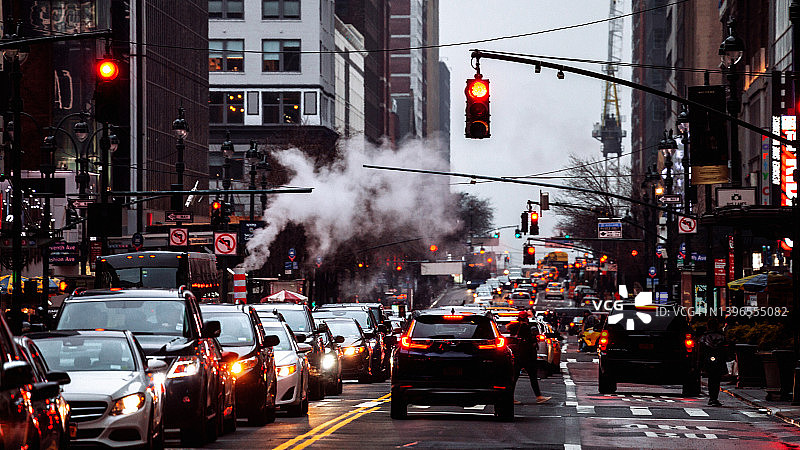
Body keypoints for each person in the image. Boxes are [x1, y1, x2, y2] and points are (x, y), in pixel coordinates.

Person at [506, 310, 550, 404]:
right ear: (526, 318)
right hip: (527, 355)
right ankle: (538, 396)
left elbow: (508, 329)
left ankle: (511, 397)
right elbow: (531, 339)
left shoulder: (514, 326)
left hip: (518, 355)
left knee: (515, 377)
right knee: (532, 376)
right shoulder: (525, 327)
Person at [699, 317, 728, 406]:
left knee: (711, 379)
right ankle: (714, 398)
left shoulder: (704, 337)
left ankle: (712, 398)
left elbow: (701, 351)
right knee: (716, 379)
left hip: (708, 361)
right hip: (719, 361)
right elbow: (727, 349)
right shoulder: (722, 337)